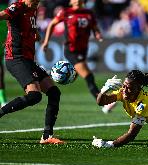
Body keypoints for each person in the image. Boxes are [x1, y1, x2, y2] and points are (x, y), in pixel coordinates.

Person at [0, 0, 63, 144]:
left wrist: (35, 33)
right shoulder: (18, 7)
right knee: (34, 95)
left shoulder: (32, 8)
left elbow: (29, 26)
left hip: (28, 60)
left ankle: (47, 136)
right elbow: (3, 14)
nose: (37, 2)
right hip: (15, 58)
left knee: (54, 92)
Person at [41, 0, 116, 113]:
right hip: (71, 50)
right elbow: (52, 24)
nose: (77, 1)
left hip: (83, 50)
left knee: (74, 75)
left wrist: (97, 34)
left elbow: (94, 27)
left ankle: (45, 73)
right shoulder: (65, 12)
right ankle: (103, 104)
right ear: (71, 1)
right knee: (88, 76)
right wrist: (46, 41)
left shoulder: (88, 13)